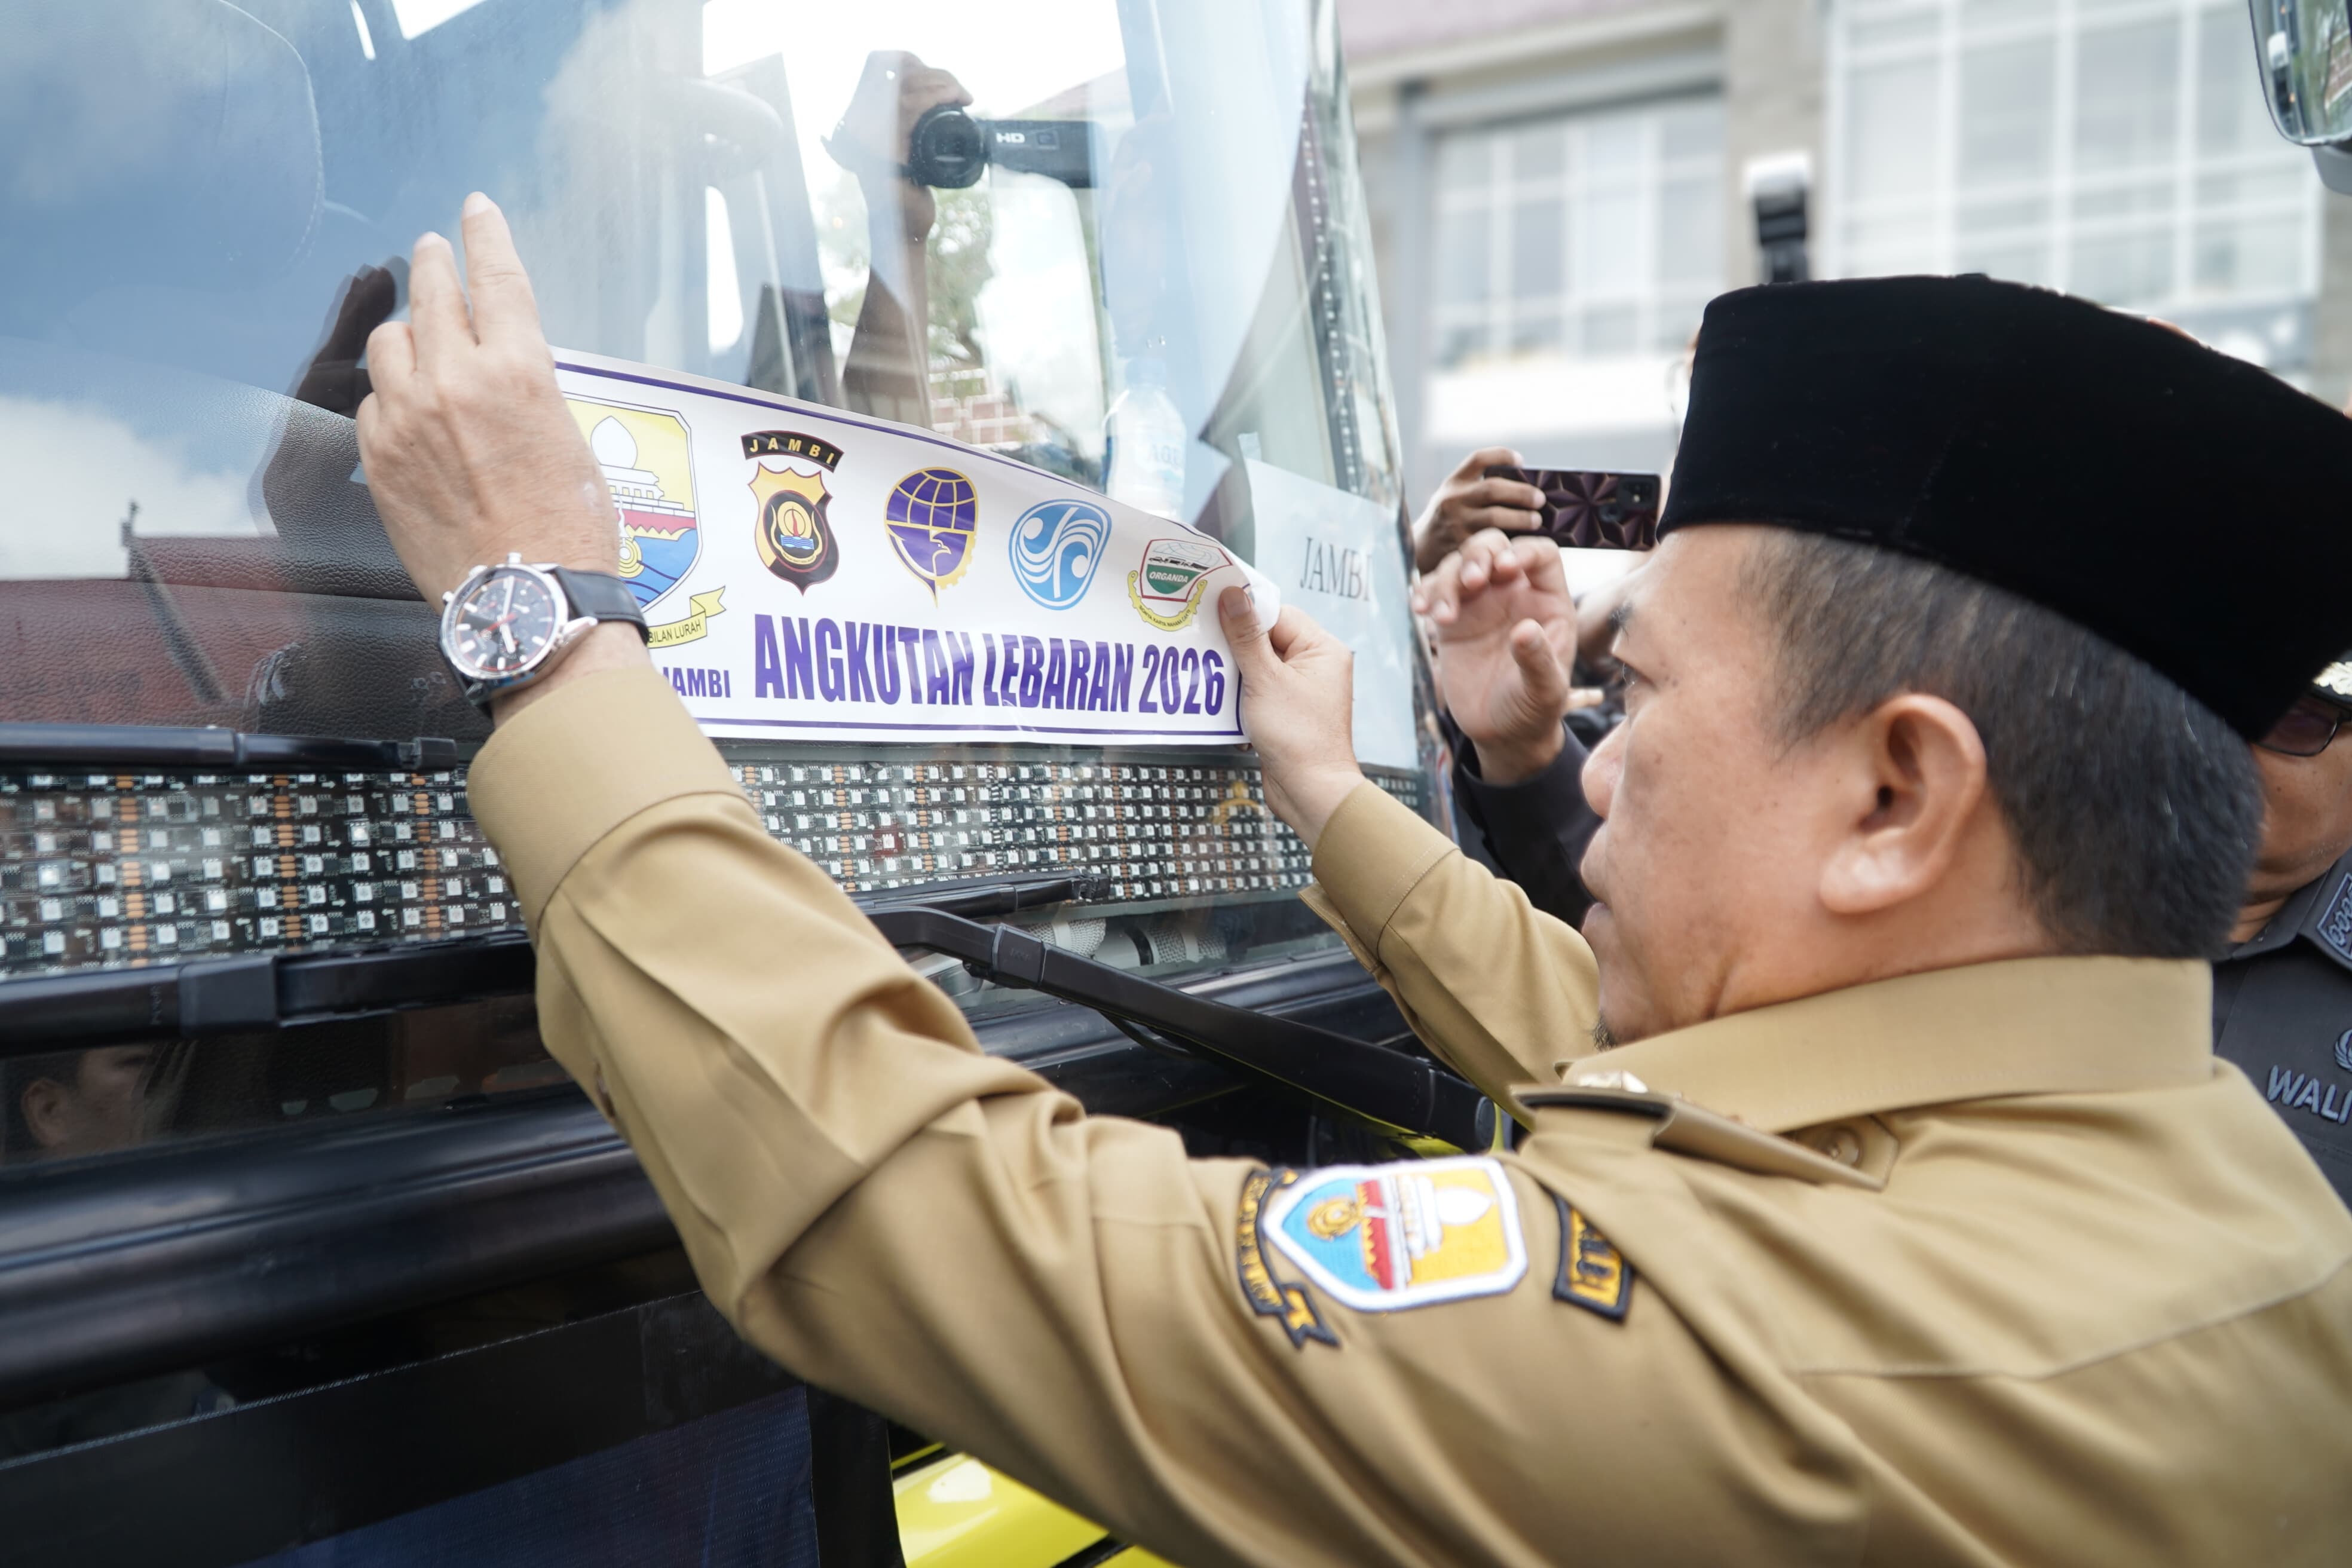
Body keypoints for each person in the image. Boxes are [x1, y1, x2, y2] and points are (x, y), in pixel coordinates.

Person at [353, 197, 2352, 1566]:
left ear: (1896, 798)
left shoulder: (1832, 1368)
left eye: (1636, 696)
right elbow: (1646, 1058)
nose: (1597, 756)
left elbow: (955, 1225)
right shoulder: (2184, 1166)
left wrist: (549, 630)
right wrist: (1330, 796)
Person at [1430, 528, 2352, 1202]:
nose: (2209, 732)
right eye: (2180, 686)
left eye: (2290, 709)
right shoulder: (2007, 882)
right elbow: (1665, 988)